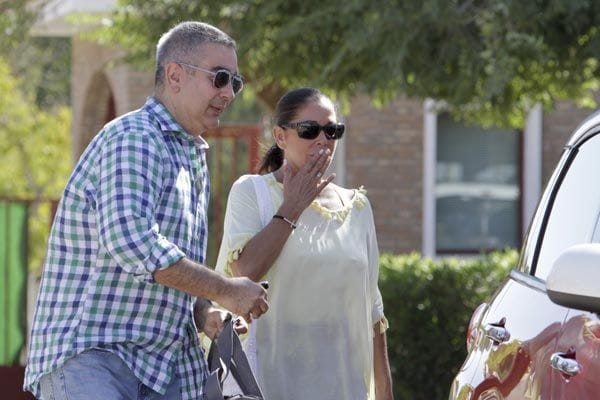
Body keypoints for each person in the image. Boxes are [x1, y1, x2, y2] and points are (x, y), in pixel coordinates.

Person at [24, 21, 268, 400]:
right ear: (174, 76)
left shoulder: (191, 155)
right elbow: (132, 243)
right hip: (94, 357)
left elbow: (172, 267)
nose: (229, 93)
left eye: (235, 82)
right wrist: (225, 289)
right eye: (220, 78)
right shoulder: (135, 137)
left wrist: (204, 313)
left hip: (162, 367)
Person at [215, 87, 394, 400]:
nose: (323, 140)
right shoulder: (252, 193)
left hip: (342, 383)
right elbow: (243, 275)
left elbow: (372, 312)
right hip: (270, 381)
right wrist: (292, 207)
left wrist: (384, 392)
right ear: (280, 137)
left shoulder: (358, 207)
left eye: (332, 130)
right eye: (310, 130)